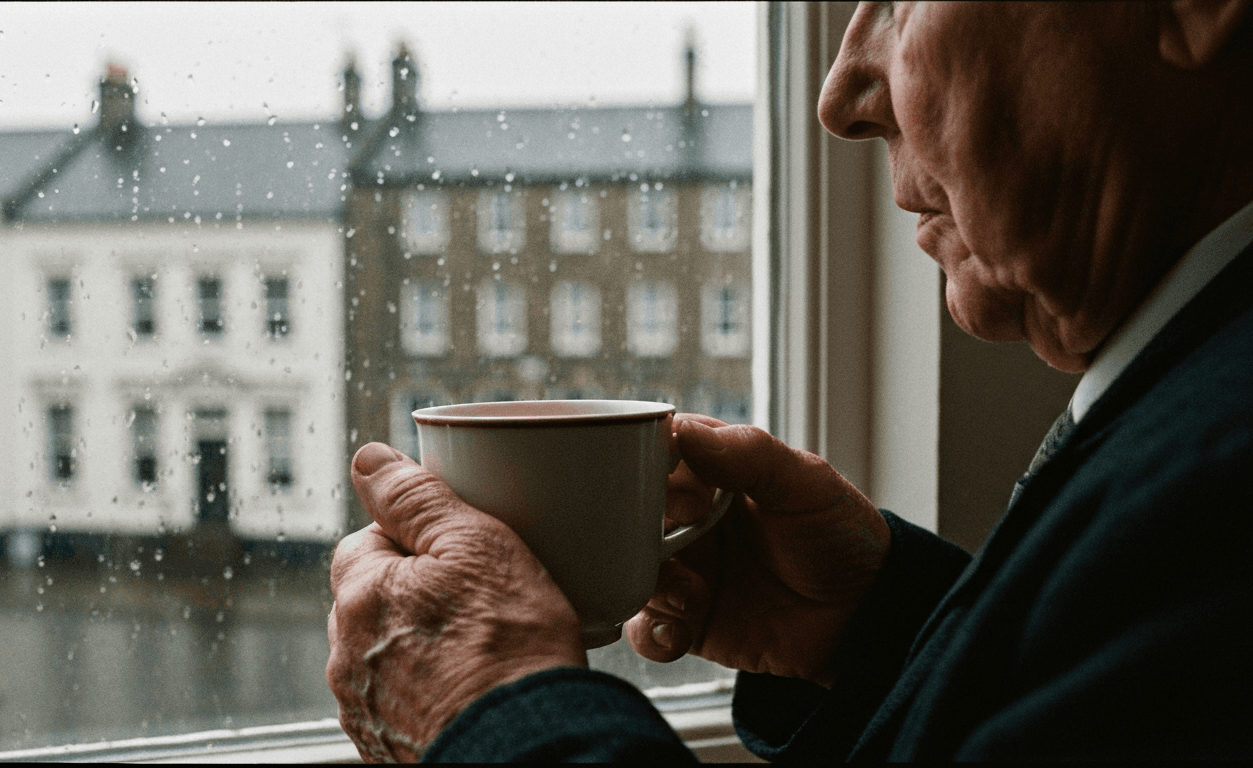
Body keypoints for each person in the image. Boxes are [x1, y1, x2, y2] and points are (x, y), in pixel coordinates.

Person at [326, 2, 1253, 761]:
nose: (841, 93)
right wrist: (884, 632)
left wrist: (489, 712)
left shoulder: (1215, 498)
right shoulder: (1190, 411)